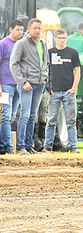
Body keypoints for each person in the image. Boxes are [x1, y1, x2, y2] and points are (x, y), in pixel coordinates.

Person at [10, 18, 48, 155]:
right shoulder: (22, 44)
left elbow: (46, 62)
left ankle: (28, 145)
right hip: (27, 85)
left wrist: (44, 78)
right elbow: (13, 64)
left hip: (39, 84)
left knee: (33, 116)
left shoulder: (43, 44)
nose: (37, 31)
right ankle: (20, 147)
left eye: (39, 28)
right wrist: (22, 82)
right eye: (35, 28)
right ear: (29, 29)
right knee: (24, 115)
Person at [42, 28, 81, 154]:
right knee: (51, 121)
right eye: (59, 38)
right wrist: (49, 87)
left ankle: (73, 147)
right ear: (55, 39)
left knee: (71, 121)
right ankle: (47, 147)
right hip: (54, 93)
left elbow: (77, 71)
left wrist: (74, 87)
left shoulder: (73, 53)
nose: (62, 40)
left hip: (68, 92)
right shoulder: (49, 53)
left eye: (64, 38)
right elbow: (45, 71)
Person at [0, 19, 24, 154]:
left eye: (21, 30)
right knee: (6, 115)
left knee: (12, 115)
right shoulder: (3, 44)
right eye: (17, 30)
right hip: (6, 85)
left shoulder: (21, 45)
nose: (20, 32)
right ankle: (8, 146)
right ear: (11, 29)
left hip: (18, 85)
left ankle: (4, 145)